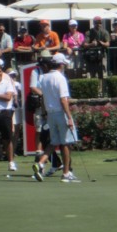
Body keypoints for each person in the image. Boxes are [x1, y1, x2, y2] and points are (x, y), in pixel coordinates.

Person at [37, 53, 78, 182]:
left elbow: (43, 97)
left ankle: (41, 163)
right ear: (61, 64)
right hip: (60, 113)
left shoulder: (43, 77)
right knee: (66, 143)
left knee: (54, 142)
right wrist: (69, 117)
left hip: (50, 114)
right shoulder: (60, 78)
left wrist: (45, 113)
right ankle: (66, 173)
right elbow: (63, 100)